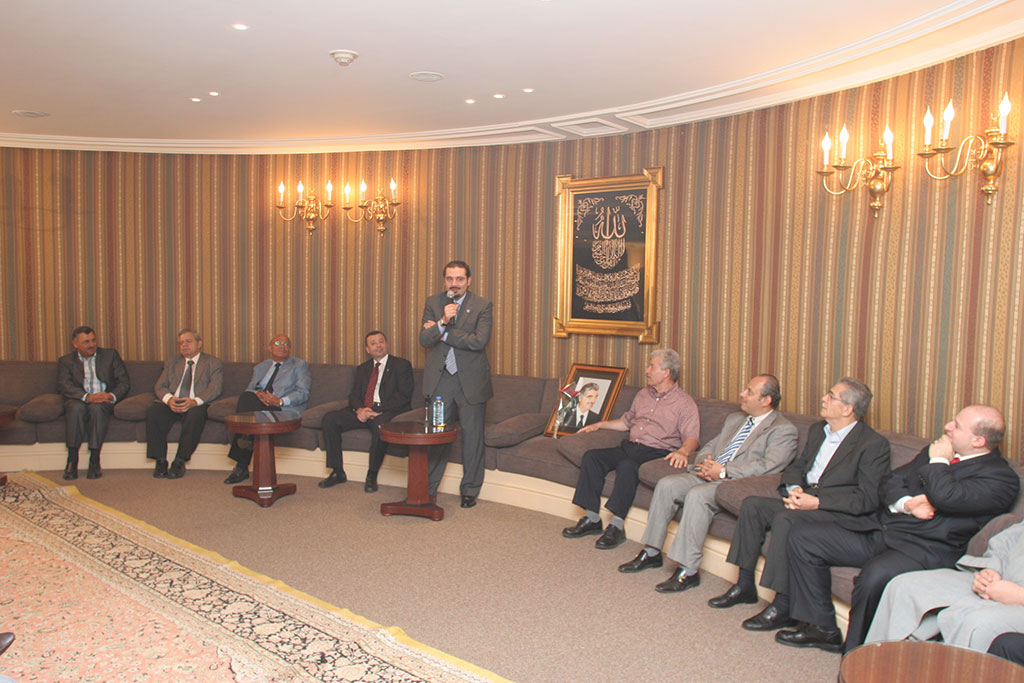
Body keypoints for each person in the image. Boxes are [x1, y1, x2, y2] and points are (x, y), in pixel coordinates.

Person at [779, 405, 1019, 653]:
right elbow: (890, 481)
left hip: (923, 549)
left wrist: (939, 461)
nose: (948, 426)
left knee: (874, 577)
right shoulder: (935, 450)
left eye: (956, 425)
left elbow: (947, 496)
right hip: (882, 530)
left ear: (978, 441)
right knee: (804, 537)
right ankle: (822, 628)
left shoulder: (1000, 478)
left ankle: (857, 654)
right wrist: (907, 504)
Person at [708, 378, 890, 635]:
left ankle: (782, 605)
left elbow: (867, 498)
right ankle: (744, 585)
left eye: (831, 396)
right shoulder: (818, 430)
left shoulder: (872, 445)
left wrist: (817, 502)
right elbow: (798, 466)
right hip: (803, 498)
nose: (824, 399)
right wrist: (794, 489)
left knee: (785, 520)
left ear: (848, 409)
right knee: (753, 506)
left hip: (835, 512)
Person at [619, 375, 799, 593]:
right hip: (707, 473)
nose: (742, 394)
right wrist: (706, 463)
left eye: (749, 392)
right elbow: (710, 446)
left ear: (766, 400)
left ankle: (688, 570)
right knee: (667, 485)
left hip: (735, 483)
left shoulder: (783, 429)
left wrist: (723, 471)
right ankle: (651, 551)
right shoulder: (735, 419)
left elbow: (769, 466)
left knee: (697, 495)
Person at [561, 349, 700, 550]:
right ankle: (592, 518)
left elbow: (692, 437)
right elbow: (626, 422)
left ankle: (616, 527)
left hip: (656, 453)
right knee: (592, 458)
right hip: (630, 446)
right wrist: (599, 425)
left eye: (652, 366)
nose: (646, 370)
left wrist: (683, 452)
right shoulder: (643, 394)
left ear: (666, 372)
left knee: (627, 466)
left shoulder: (685, 403)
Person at [865, 518, 1024, 654]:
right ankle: (872, 669)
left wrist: (1018, 595)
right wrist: (990, 569)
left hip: (1018, 600)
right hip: (999, 579)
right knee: (903, 586)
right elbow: (1008, 538)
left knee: (976, 625)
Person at [420, 260, 493, 509]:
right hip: (441, 380)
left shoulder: (483, 305)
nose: (454, 284)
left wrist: (443, 333)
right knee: (437, 436)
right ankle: (428, 489)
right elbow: (425, 340)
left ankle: (470, 490)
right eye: (450, 279)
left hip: (471, 382)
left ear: (468, 281)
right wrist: (442, 320)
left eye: (459, 279)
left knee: (472, 438)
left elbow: (478, 341)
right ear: (444, 281)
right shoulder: (433, 303)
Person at [319, 330, 413, 492]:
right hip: (364, 410)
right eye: (373, 343)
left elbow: (404, 396)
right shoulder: (362, 368)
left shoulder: (401, 365)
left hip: (387, 411)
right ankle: (337, 471)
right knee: (330, 419)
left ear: (386, 344)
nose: (378, 345)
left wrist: (377, 409)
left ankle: (372, 475)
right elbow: (354, 395)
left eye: (381, 341)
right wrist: (360, 410)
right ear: (367, 349)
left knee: (380, 426)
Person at [223, 334, 311, 484]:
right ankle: (244, 450)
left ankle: (241, 464)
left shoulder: (299, 365)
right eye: (278, 343)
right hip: (259, 403)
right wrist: (258, 394)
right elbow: (250, 389)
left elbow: (303, 392)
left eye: (286, 344)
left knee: (250, 412)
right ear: (270, 348)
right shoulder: (260, 367)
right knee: (246, 397)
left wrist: (280, 401)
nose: (282, 346)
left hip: (282, 407)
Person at [145, 328, 223, 479]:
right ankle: (160, 461)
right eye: (181, 343)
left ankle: (180, 461)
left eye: (188, 341)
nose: (184, 345)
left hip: (196, 404)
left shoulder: (212, 362)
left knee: (195, 415)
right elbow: (160, 386)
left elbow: (215, 388)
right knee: (154, 411)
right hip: (174, 402)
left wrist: (194, 401)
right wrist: (169, 399)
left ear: (199, 344)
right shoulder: (172, 362)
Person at [55, 325, 130, 480]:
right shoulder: (66, 361)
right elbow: (64, 385)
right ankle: (72, 460)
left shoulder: (110, 355)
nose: (91, 345)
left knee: (97, 409)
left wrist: (111, 396)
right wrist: (87, 397)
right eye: (86, 342)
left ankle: (94, 461)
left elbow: (124, 382)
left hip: (103, 400)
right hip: (79, 399)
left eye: (93, 340)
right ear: (75, 344)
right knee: (75, 408)